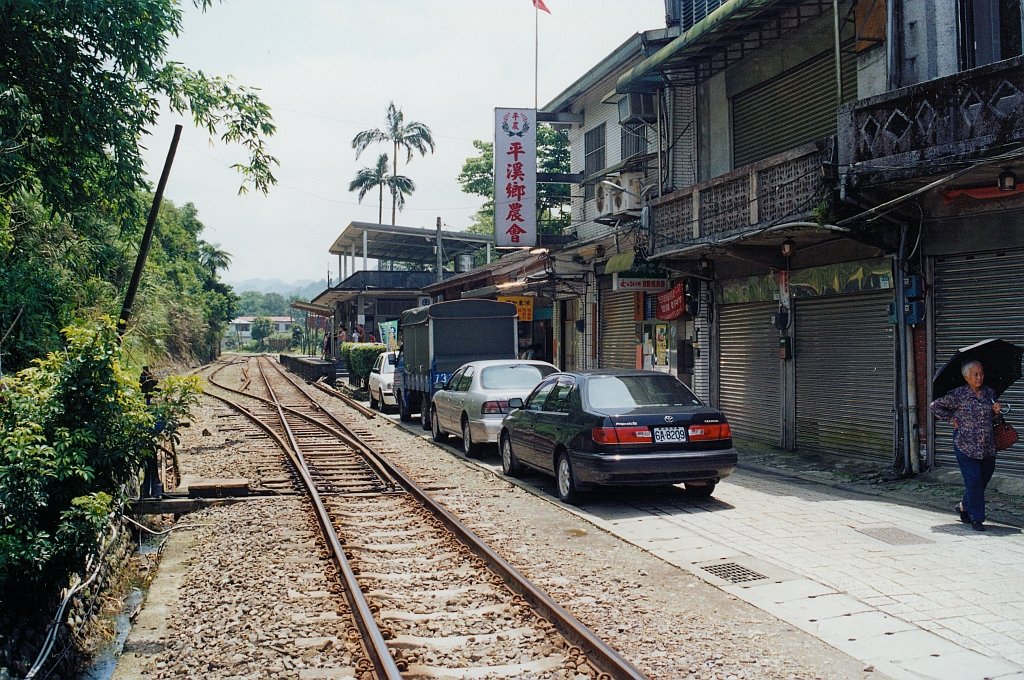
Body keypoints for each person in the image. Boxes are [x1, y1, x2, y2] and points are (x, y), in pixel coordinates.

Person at [929, 360, 1003, 531]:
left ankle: (963, 506)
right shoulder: (958, 394)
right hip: (965, 445)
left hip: (987, 446)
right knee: (974, 481)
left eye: (981, 374)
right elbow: (935, 406)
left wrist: (996, 412)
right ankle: (977, 518)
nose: (979, 377)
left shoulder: (989, 393)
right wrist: (951, 419)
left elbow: (996, 420)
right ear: (966, 377)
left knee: (982, 480)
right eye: (975, 374)